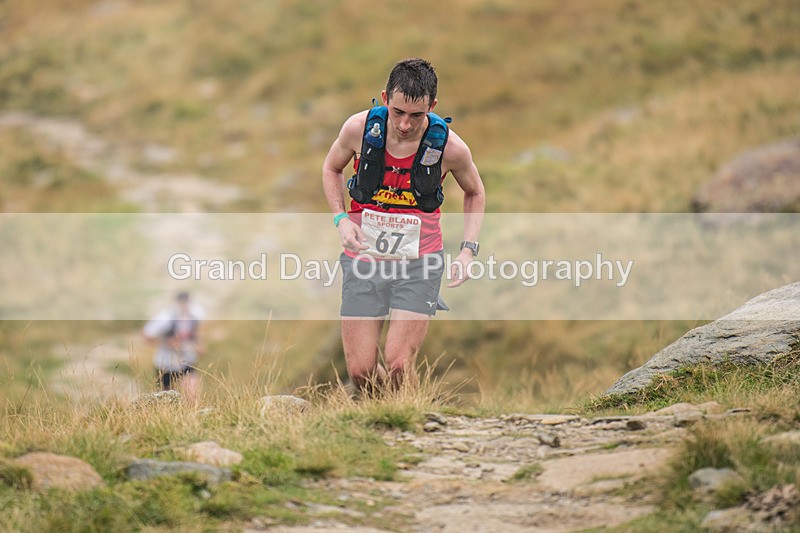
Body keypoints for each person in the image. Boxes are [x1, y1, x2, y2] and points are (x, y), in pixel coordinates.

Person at [322, 58, 485, 393]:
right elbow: (331, 168)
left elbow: (475, 192)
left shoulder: (450, 148)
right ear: (385, 98)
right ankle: (388, 420)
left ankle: (410, 417)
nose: (406, 124)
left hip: (419, 264)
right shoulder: (358, 130)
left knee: (397, 364)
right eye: (398, 112)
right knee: (361, 372)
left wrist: (467, 251)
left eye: (416, 115)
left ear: (433, 107)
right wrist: (340, 219)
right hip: (364, 261)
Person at [143, 291, 205, 402]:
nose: (184, 306)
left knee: (193, 394)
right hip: (165, 364)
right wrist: (166, 342)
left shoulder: (195, 314)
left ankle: (192, 415)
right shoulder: (164, 318)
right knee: (166, 400)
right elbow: (146, 336)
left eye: (186, 303)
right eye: (182, 303)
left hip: (186, 362)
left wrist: (199, 344)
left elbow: (195, 332)